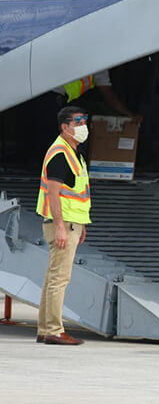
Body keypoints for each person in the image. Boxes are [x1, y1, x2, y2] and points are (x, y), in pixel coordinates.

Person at [35, 107, 92, 345]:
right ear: (65, 127)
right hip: (63, 224)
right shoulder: (60, 153)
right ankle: (54, 330)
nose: (82, 125)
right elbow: (53, 193)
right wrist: (60, 226)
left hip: (71, 222)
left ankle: (44, 329)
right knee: (60, 278)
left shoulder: (72, 152)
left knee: (52, 278)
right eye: (77, 122)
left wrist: (81, 223)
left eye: (84, 120)